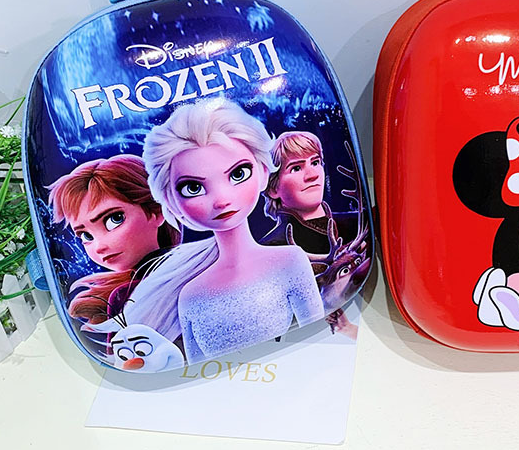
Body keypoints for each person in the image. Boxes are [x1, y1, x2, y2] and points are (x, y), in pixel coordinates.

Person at [125, 98, 324, 362]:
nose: (221, 200)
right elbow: (196, 367)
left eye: (238, 174)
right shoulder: (190, 295)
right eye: (193, 188)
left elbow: (316, 337)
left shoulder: (290, 260)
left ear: (263, 171)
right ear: (171, 201)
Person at [47, 154, 181, 327]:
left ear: (157, 211)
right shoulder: (118, 295)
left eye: (115, 219)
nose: (99, 246)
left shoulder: (189, 268)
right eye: (86, 236)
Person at [262, 131, 358, 252]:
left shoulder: (358, 222)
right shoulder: (271, 249)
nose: (312, 175)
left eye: (315, 162)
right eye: (296, 168)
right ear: (273, 188)